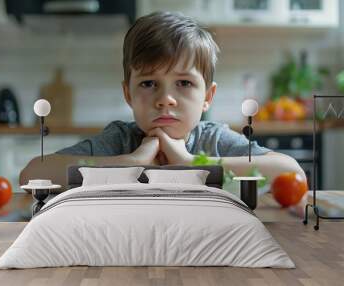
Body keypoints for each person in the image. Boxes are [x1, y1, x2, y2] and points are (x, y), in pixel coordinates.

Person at [20, 12, 306, 213]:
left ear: (207, 97)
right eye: (148, 83)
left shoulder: (213, 141)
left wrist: (190, 161)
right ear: (128, 94)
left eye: (183, 83)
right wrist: (131, 161)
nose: (166, 99)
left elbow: (292, 174)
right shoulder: (119, 141)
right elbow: (31, 174)